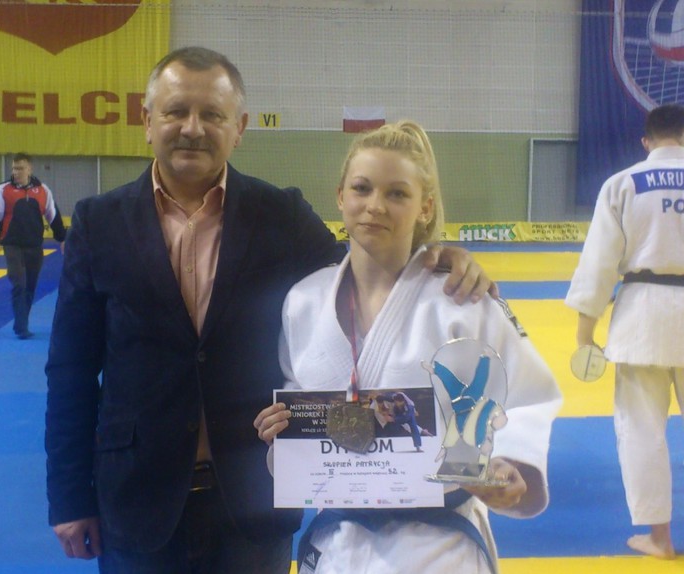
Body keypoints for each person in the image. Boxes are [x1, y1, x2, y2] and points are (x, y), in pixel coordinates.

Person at [45, 47, 497, 574]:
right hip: (137, 497)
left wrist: (435, 259)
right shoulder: (98, 223)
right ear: (147, 122)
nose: (193, 128)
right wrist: (69, 498)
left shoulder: (281, 215)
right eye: (176, 112)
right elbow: (71, 371)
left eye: (212, 114)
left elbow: (364, 275)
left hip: (253, 500)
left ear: (238, 128)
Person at [254, 120, 562, 573]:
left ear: (425, 206)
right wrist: (281, 432)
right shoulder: (303, 301)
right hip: (338, 543)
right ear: (340, 196)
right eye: (362, 188)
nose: (375, 205)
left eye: (397, 193)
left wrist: (507, 461)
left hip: (438, 547)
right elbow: (296, 399)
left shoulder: (462, 301)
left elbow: (528, 394)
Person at [565, 103, 684, 560]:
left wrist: (584, 337)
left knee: (641, 430)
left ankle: (660, 538)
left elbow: (598, 264)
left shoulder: (623, 184)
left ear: (646, 142)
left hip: (643, 319)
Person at [0, 152, 65, 339]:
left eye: (20, 168)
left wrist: (62, 238)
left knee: (30, 287)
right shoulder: (3, 190)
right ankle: (21, 327)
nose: (16, 172)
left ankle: (22, 322)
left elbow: (53, 216)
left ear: (29, 169)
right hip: (12, 245)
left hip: (35, 246)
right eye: (14, 168)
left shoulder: (43, 191)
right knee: (19, 283)